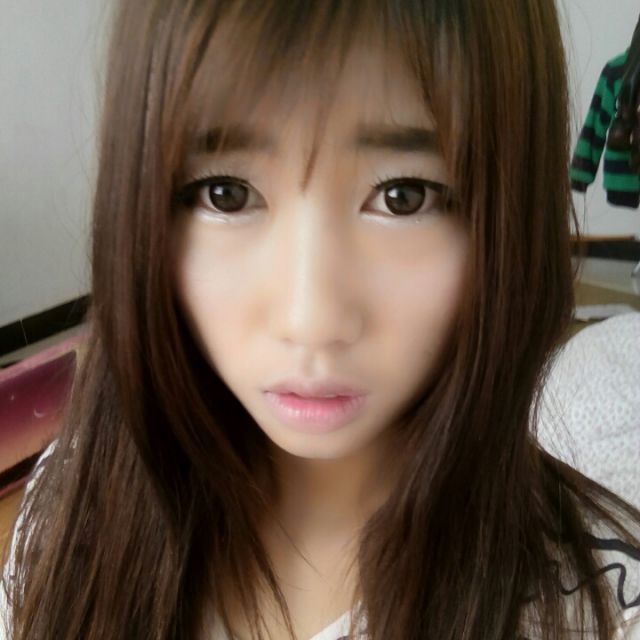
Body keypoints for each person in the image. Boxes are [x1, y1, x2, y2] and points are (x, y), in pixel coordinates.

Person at [2, 1, 640, 638]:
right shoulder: (63, 519)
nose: (309, 321)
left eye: (404, 197)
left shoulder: (601, 613)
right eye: (227, 194)